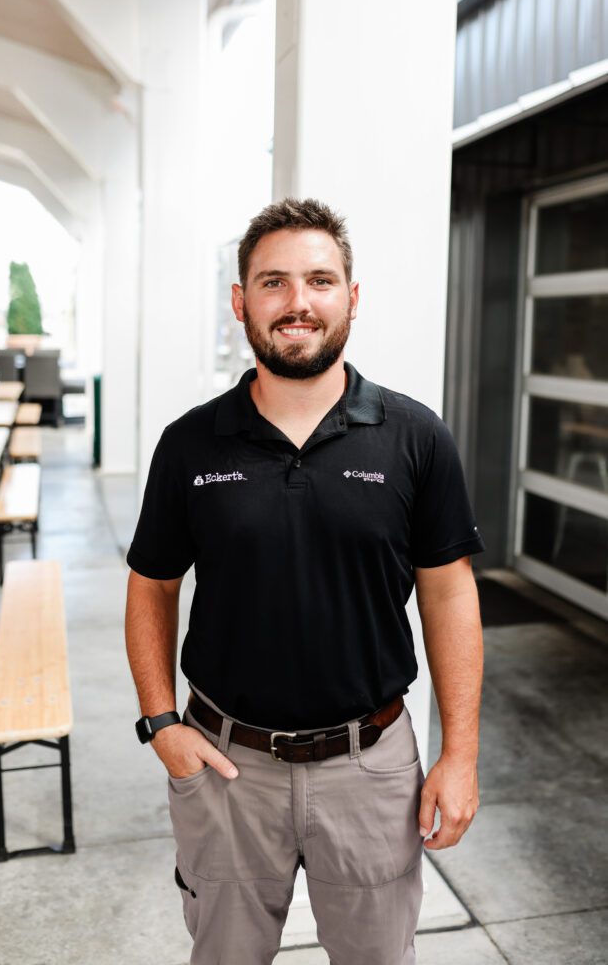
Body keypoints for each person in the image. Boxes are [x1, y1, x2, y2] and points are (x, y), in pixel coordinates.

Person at [125, 198, 485, 965]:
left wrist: (459, 756)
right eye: (273, 282)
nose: (297, 302)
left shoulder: (414, 436)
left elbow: (448, 593)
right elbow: (151, 585)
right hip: (226, 769)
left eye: (319, 280)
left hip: (370, 768)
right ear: (240, 302)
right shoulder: (190, 443)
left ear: (350, 298)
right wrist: (161, 725)